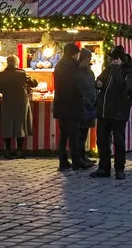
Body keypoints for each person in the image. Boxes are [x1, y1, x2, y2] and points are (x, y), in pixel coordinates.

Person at [90, 46, 132, 180]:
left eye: (112, 59)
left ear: (119, 60)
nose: (110, 62)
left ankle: (120, 168)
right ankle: (104, 167)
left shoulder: (129, 73)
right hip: (104, 111)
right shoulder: (108, 69)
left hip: (119, 112)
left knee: (119, 141)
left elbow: (122, 88)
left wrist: (117, 70)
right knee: (102, 141)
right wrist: (98, 83)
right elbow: (99, 81)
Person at [0, 55, 37, 158]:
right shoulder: (22, 74)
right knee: (21, 125)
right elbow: (34, 83)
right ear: (17, 63)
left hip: (7, 102)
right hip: (21, 102)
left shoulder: (1, 75)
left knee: (8, 125)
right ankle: (19, 150)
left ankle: (7, 150)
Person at [52, 42, 81, 171]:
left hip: (60, 103)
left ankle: (63, 160)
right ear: (73, 53)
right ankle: (76, 161)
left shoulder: (59, 65)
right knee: (73, 134)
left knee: (63, 134)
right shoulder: (71, 66)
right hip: (70, 104)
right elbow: (74, 86)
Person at [73, 48, 98, 167]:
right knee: (80, 134)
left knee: (84, 133)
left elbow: (92, 86)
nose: (89, 61)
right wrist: (86, 100)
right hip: (81, 105)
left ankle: (83, 156)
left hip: (90, 104)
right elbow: (78, 89)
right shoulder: (77, 72)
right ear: (83, 59)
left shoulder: (89, 72)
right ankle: (79, 157)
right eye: (88, 58)